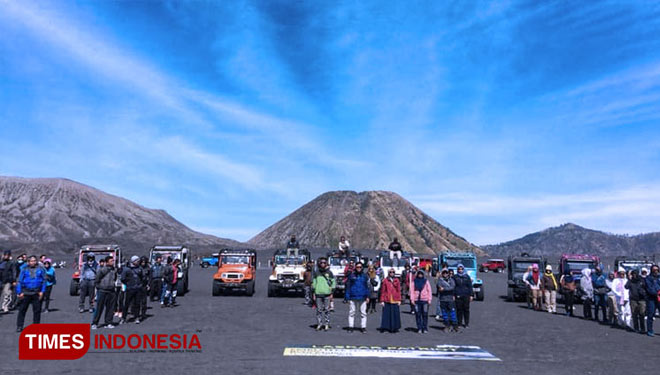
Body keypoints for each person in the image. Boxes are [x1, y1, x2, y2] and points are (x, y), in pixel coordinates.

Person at [15, 255, 46, 332]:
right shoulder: (24, 269)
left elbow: (44, 281)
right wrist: (19, 292)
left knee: (37, 311)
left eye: (34, 261)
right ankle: (19, 326)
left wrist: (42, 291)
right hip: (26, 292)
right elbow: (19, 281)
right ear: (28, 262)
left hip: (36, 292)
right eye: (31, 261)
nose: (33, 262)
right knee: (22, 310)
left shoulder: (40, 269)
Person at [92, 256, 117, 329]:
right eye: (111, 261)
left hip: (111, 291)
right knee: (99, 308)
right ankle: (95, 323)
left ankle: (108, 322)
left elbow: (114, 279)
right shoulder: (102, 270)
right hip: (102, 291)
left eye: (113, 260)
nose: (113, 262)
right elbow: (97, 280)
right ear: (107, 262)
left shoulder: (114, 270)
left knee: (110, 308)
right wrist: (99, 287)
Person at [345, 262, 370, 333]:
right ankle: (350, 326)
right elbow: (348, 286)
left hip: (363, 296)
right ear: (355, 268)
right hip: (353, 296)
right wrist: (347, 297)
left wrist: (368, 296)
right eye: (357, 267)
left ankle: (363, 327)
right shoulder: (351, 276)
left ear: (362, 268)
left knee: (363, 313)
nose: (358, 268)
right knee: (352, 312)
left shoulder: (365, 276)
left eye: (360, 267)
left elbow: (367, 287)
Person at [311, 257, 335, 331]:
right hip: (318, 293)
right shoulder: (316, 272)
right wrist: (314, 292)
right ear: (319, 263)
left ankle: (326, 324)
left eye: (324, 263)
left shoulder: (329, 272)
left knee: (327, 310)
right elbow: (314, 283)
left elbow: (333, 282)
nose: (323, 264)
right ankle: (319, 324)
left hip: (327, 293)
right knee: (319, 310)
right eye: (321, 262)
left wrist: (332, 292)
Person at [120, 255, 144, 324]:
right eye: (136, 261)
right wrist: (128, 283)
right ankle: (123, 318)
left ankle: (136, 317)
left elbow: (143, 277)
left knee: (137, 303)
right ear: (133, 261)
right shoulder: (126, 269)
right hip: (130, 288)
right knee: (126, 303)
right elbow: (122, 278)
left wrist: (140, 284)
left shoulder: (140, 268)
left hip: (138, 288)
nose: (138, 262)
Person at [379, 268, 402, 333]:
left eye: (393, 272)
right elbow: (383, 291)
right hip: (387, 299)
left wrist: (399, 299)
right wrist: (382, 300)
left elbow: (399, 290)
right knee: (387, 314)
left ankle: (395, 327)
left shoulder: (397, 280)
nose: (392, 273)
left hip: (395, 299)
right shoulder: (385, 281)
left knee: (395, 314)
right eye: (390, 272)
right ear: (388, 273)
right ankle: (386, 327)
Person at [626, 269, 647, 333]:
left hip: (641, 299)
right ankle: (636, 328)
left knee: (642, 314)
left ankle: (642, 328)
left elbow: (646, 287)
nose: (634, 275)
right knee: (634, 314)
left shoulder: (642, 280)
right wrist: (629, 279)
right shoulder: (630, 281)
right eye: (633, 274)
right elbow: (626, 287)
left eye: (635, 274)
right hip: (633, 299)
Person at [453, 263, 473, 328]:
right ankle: (459, 323)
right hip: (458, 295)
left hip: (466, 295)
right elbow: (453, 286)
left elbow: (470, 286)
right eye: (459, 269)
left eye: (461, 269)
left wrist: (471, 295)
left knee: (466, 309)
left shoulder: (467, 277)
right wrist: (453, 295)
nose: (460, 270)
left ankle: (466, 323)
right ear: (457, 269)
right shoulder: (455, 277)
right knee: (459, 309)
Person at [645, 265, 660, 337]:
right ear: (651, 270)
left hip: (659, 298)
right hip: (652, 298)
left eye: (657, 270)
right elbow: (649, 288)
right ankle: (650, 330)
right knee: (650, 315)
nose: (656, 271)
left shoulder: (659, 278)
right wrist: (656, 293)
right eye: (654, 270)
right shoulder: (648, 278)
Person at [138, 256, 151, 321]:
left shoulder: (147, 268)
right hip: (138, 286)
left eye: (144, 262)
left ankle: (143, 313)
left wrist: (148, 284)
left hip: (144, 286)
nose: (143, 263)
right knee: (137, 301)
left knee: (144, 301)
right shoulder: (138, 268)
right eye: (142, 262)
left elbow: (149, 277)